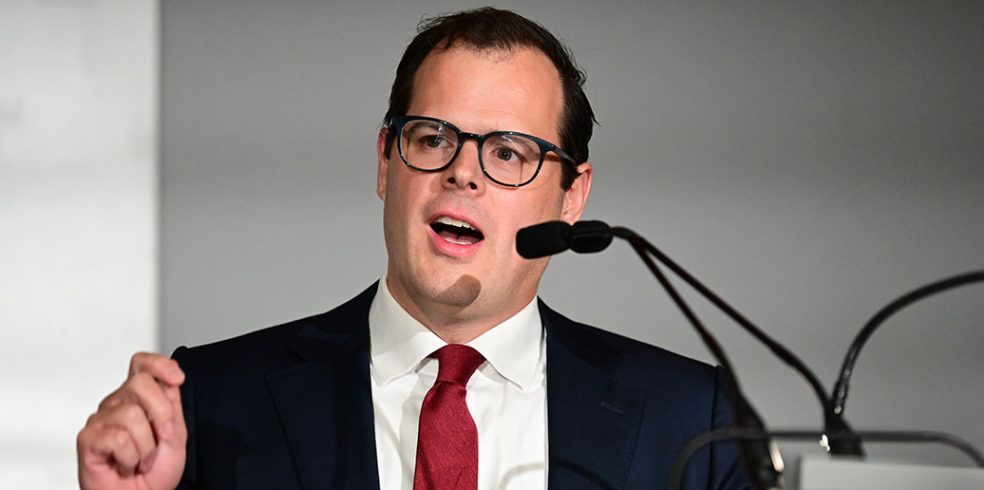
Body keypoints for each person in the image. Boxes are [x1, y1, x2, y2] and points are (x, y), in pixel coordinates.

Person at [77, 7, 748, 489]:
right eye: (433, 139)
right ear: (385, 163)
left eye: (509, 152)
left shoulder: (692, 421)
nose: (464, 171)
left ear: (572, 195)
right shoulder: (212, 403)